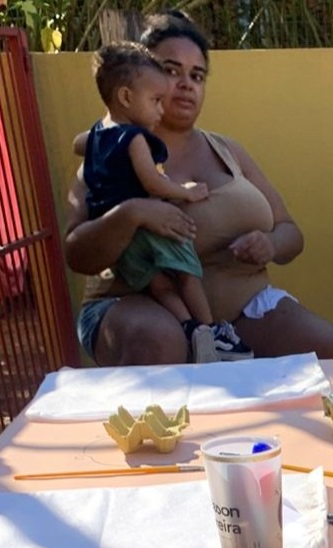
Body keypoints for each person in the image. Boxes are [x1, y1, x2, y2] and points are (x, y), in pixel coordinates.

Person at [64, 11, 333, 366]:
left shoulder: (228, 151)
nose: (186, 84)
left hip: (242, 310)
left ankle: (219, 340)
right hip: (138, 305)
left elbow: (291, 232)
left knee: (327, 348)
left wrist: (270, 244)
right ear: (140, 79)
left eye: (197, 75)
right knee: (161, 342)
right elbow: (76, 253)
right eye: (171, 71)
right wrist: (133, 213)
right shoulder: (110, 154)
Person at [82, 41, 250, 364]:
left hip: (123, 242)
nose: (161, 109)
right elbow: (152, 181)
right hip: (149, 230)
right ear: (126, 97)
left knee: (159, 285)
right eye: (155, 101)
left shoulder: (97, 135)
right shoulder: (135, 138)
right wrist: (185, 191)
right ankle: (212, 330)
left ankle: (189, 328)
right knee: (186, 274)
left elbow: (81, 145)